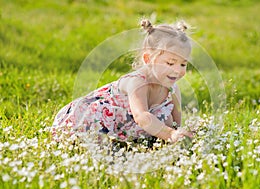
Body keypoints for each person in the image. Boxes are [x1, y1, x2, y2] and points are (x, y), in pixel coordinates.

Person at [51, 19, 193, 146]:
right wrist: (170, 135)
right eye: (170, 63)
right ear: (148, 59)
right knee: (93, 138)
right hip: (98, 119)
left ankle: (144, 139)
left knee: (165, 118)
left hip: (127, 124)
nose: (177, 70)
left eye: (183, 64)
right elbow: (141, 116)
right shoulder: (137, 82)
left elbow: (176, 121)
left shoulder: (172, 88)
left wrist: (178, 133)